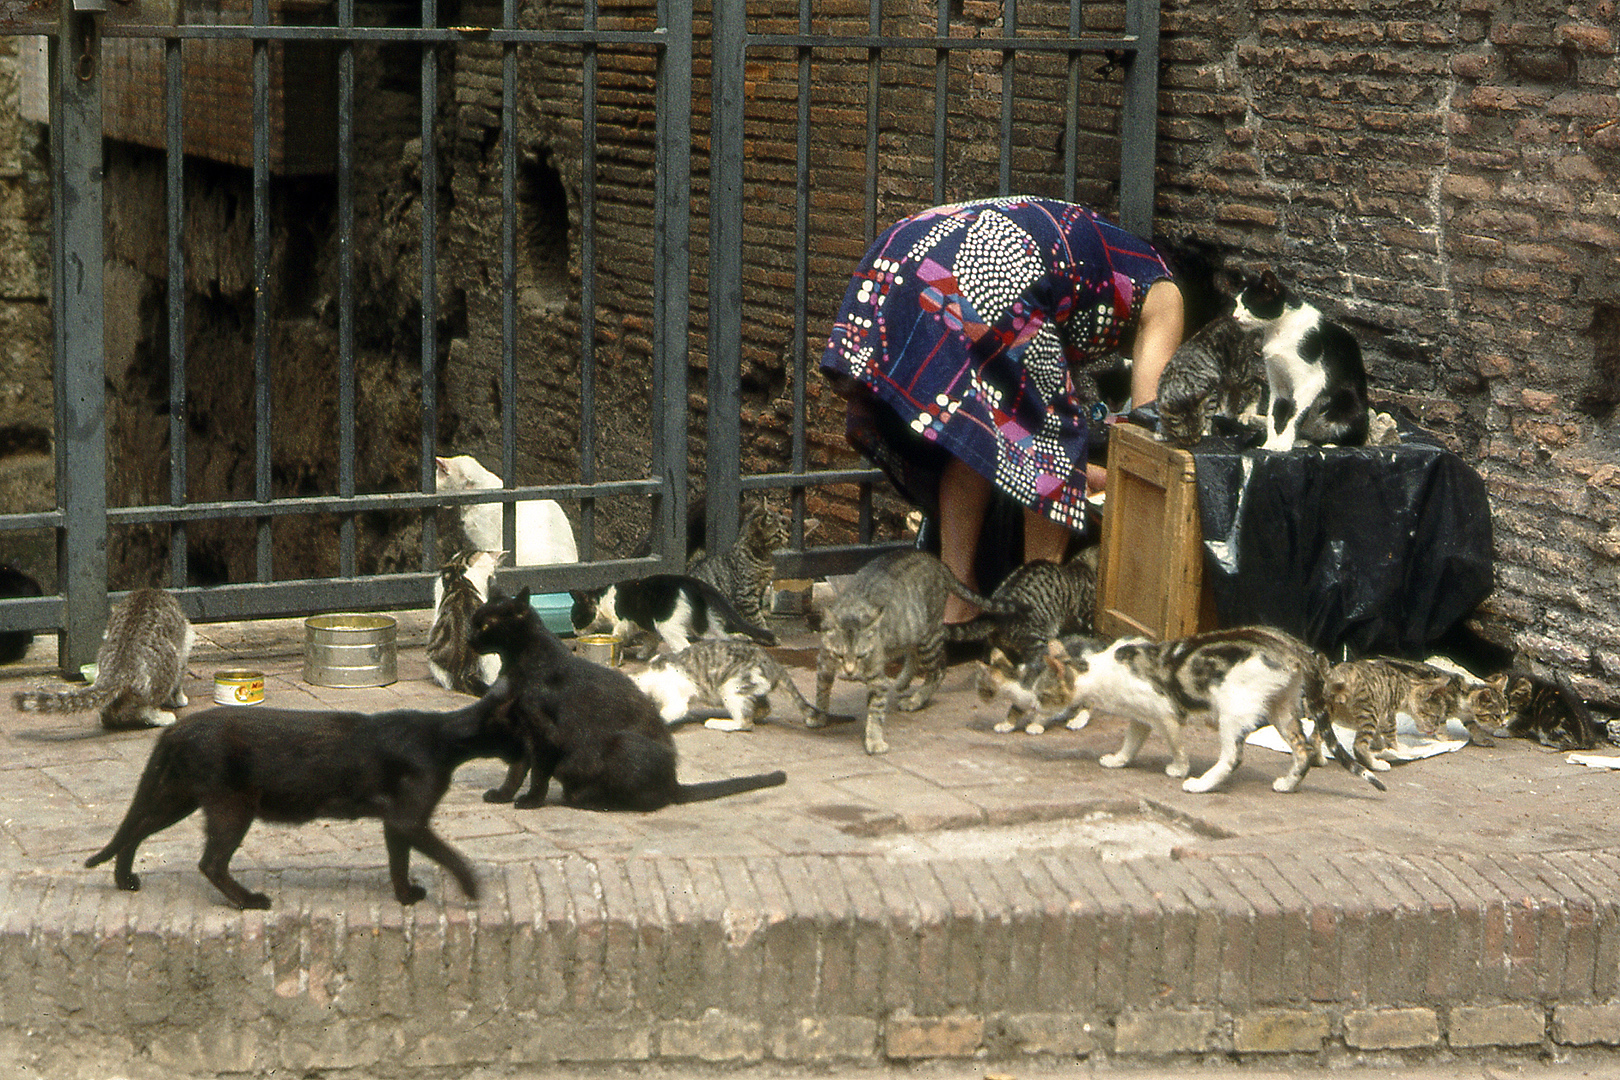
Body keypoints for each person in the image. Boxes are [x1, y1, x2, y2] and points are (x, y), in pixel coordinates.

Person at [819, 196, 1186, 623]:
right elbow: (1145, 428)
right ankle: (1031, 613)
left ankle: (958, 601)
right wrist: (1091, 477)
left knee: (978, 431)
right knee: (1051, 441)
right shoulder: (1165, 291)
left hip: (902, 254)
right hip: (989, 272)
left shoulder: (1099, 247)